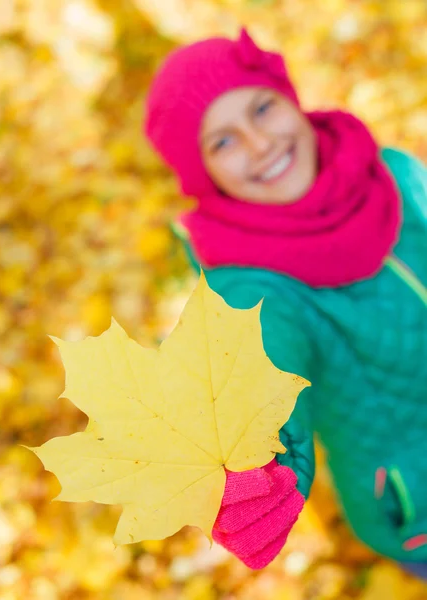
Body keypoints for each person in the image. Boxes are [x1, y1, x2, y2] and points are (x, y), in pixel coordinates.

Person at [144, 29, 427, 577]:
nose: (259, 144)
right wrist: (249, 466)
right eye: (222, 141)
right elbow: (253, 367)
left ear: (291, 99)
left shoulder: (388, 170)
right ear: (204, 173)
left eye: (262, 109)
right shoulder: (250, 287)